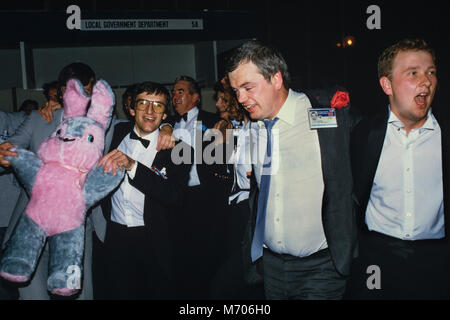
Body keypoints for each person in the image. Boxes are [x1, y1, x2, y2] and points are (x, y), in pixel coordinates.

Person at [226, 40, 357, 300]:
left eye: (247, 87)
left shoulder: (323, 113)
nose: (240, 99)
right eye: (235, 90)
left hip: (322, 267)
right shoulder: (253, 126)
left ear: (276, 79)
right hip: (271, 267)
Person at [347, 38, 450, 299]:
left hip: (437, 260)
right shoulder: (364, 134)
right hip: (377, 259)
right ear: (387, 84)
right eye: (413, 73)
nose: (426, 81)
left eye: (431, 73)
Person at [97, 81, 192, 299]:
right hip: (115, 237)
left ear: (165, 115)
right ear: (132, 108)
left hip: (156, 241)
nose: (150, 111)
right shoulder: (113, 134)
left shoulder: (182, 149)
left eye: (158, 105)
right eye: (143, 103)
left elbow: (175, 197)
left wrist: (133, 166)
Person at [170, 75, 231, 299]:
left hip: (207, 197)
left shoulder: (214, 120)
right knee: (184, 256)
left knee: (209, 255)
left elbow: (226, 159)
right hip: (179, 199)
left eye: (180, 91)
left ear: (195, 97)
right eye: (174, 92)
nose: (175, 96)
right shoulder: (169, 125)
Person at [210, 78, 265, 299]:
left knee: (227, 284)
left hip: (250, 210)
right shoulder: (237, 128)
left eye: (224, 99)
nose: (218, 105)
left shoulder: (257, 128)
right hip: (234, 209)